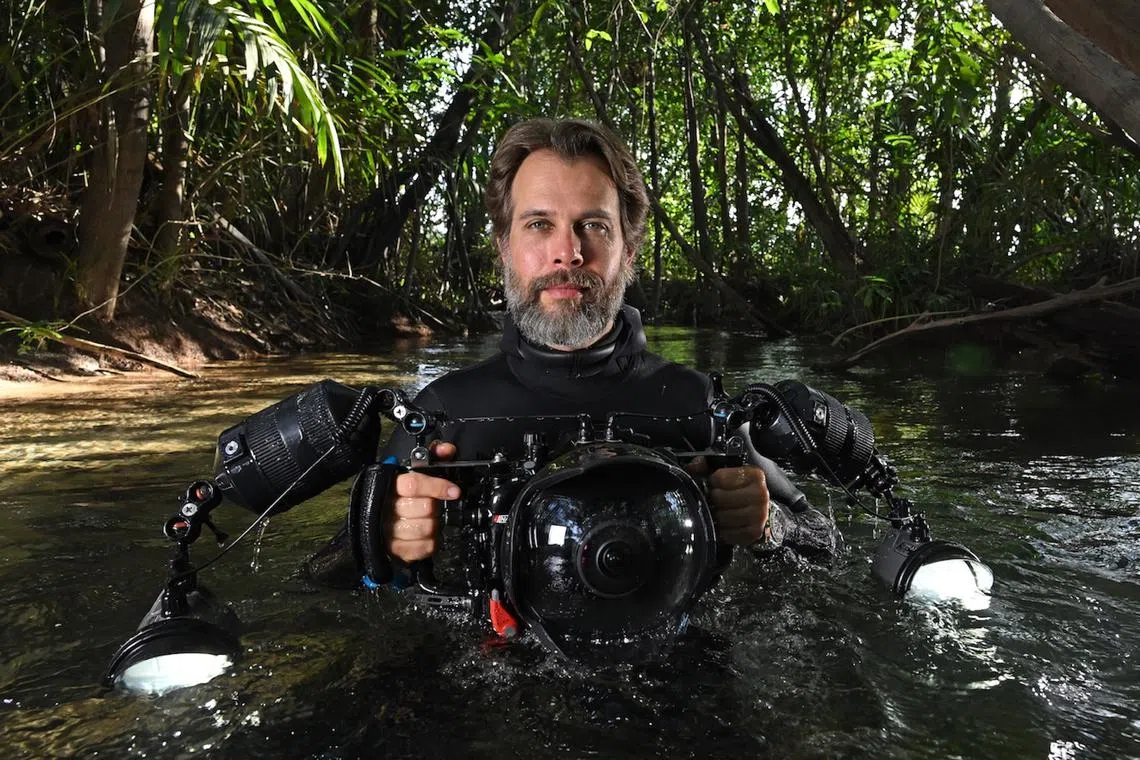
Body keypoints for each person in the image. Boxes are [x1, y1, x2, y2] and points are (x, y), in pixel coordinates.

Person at [305, 118, 839, 589]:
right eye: (540, 224)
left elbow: (826, 547)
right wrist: (378, 538)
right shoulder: (443, 415)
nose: (568, 252)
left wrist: (769, 527)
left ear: (629, 250)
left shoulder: (699, 407)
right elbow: (318, 582)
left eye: (594, 225)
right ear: (505, 247)